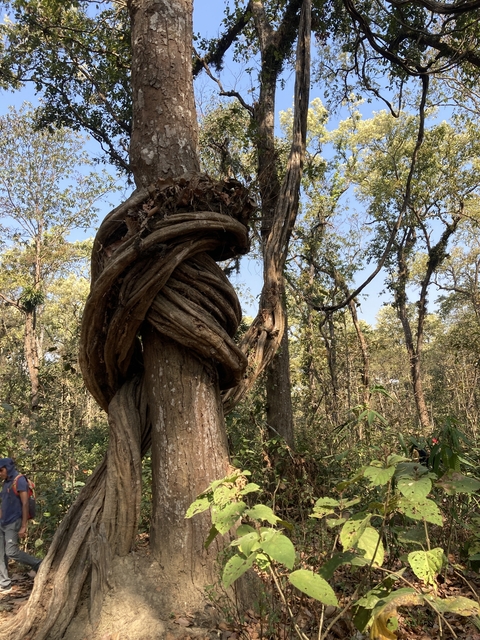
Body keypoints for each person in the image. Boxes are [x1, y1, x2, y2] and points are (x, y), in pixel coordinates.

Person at [0, 457, 41, 594]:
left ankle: (37, 563)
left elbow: (24, 504)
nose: (0, 473)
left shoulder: (20, 480)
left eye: (1, 470)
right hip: (2, 522)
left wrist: (23, 526)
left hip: (14, 521)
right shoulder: (5, 483)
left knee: (11, 551)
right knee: (1, 553)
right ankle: (4, 584)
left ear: (8, 468)